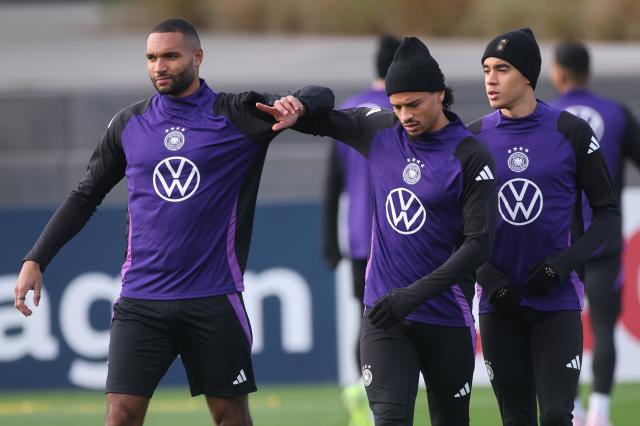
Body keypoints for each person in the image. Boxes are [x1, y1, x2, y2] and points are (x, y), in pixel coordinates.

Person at [13, 18, 332, 426]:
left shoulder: (237, 114)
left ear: (197, 58)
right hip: (141, 301)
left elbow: (321, 96)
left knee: (230, 417)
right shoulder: (129, 124)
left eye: (170, 56)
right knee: (120, 416)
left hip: (213, 298)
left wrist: (300, 104)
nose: (159, 66)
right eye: (151, 57)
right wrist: (36, 258)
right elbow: (84, 196)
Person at [258, 36, 497, 426]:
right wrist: (299, 103)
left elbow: (479, 246)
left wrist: (410, 297)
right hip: (384, 316)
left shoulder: (470, 155)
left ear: (440, 95)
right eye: (397, 106)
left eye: (414, 104)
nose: (405, 115)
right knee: (387, 419)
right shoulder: (379, 130)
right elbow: (322, 106)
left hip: (446, 317)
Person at [468, 28, 619, 426]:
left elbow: (607, 214)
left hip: (557, 303)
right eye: (486, 69)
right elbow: (452, 228)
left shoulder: (570, 132)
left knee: (555, 416)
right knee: (517, 418)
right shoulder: (471, 138)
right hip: (498, 305)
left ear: (529, 75)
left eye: (502, 68)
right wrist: (488, 276)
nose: (491, 79)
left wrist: (563, 265)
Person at [549, 40, 640, 426]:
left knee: (554, 328)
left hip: (557, 243)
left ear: (559, 72)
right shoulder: (617, 114)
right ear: (588, 71)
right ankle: (600, 410)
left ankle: (574, 407)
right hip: (603, 239)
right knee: (603, 327)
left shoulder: (546, 116)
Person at [322, 34, 400, 426]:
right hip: (404, 237)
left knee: (368, 320)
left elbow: (331, 183)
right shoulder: (408, 110)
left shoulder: (350, 111)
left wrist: (329, 243)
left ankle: (365, 393)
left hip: (359, 239)